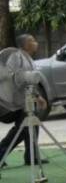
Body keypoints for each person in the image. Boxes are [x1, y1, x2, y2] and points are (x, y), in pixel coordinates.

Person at [0, 34, 43, 165]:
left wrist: (38, 96)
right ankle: (3, 153)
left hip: (19, 102)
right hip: (6, 103)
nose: (36, 42)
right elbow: (8, 76)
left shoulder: (28, 59)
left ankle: (32, 156)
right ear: (25, 44)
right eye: (32, 40)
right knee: (25, 125)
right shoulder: (15, 56)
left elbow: (29, 81)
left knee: (30, 123)